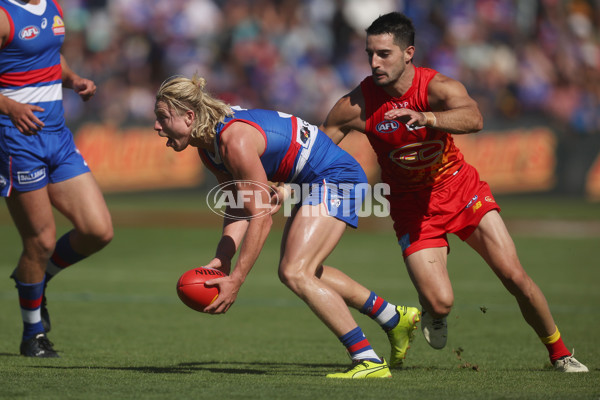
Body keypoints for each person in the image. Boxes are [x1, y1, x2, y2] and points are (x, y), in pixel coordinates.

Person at [320, 12, 588, 373]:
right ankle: (434, 312)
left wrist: (429, 118)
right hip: (413, 209)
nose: (374, 62)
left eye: (384, 54)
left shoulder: (436, 87)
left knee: (514, 275)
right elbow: (315, 149)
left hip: (461, 191)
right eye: (370, 53)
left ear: (408, 53)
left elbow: (474, 118)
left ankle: (560, 354)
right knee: (440, 302)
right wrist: (280, 181)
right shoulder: (357, 104)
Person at [154, 75, 421, 378]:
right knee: (302, 270)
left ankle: (368, 361)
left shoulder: (233, 140)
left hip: (336, 178)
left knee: (295, 271)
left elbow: (261, 217)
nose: (156, 126)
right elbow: (239, 205)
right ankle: (393, 317)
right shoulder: (209, 148)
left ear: (189, 116)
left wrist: (237, 280)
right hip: (312, 182)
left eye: (163, 117)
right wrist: (223, 258)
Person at [0, 0, 113, 358]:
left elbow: (51, 56)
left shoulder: (53, 7)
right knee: (41, 239)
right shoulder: (4, 16)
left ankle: (36, 278)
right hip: (17, 138)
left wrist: (74, 79)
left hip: (58, 136)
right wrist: (9, 107)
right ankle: (32, 333)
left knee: (98, 231)